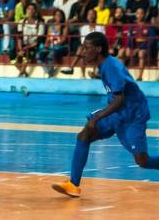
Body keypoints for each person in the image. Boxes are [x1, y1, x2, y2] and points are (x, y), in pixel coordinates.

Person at [52, 32, 159, 197]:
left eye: (87, 48)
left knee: (142, 161)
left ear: (98, 49)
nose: (83, 51)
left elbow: (120, 100)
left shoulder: (111, 67)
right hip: (117, 112)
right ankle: (73, 184)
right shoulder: (104, 66)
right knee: (84, 135)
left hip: (132, 115)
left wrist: (96, 117)